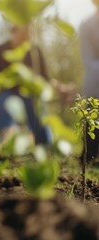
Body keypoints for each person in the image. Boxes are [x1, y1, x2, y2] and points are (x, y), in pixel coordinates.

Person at [0, 25, 52, 146]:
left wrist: (61, 89)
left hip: (30, 97)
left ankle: (42, 143)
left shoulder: (35, 51)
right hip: (5, 96)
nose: (26, 38)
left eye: (29, 34)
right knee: (3, 102)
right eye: (23, 34)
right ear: (13, 32)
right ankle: (9, 139)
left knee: (39, 115)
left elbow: (46, 80)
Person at [79, 0, 99, 161]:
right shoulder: (87, 25)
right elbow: (88, 58)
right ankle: (90, 155)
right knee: (93, 118)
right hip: (95, 80)